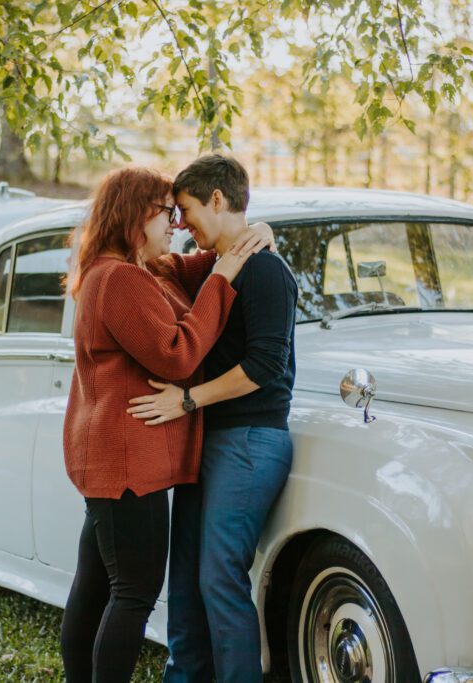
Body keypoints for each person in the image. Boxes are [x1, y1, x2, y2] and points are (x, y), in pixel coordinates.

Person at [59, 166, 272, 683]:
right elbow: (175, 355)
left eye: (180, 214)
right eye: (164, 213)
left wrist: (251, 236)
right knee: (133, 593)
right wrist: (223, 280)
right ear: (135, 216)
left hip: (114, 461)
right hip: (127, 465)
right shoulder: (118, 280)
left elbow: (204, 261)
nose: (175, 223)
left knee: (94, 586)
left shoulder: (146, 271)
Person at [126, 154, 298, 683]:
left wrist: (188, 399)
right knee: (186, 582)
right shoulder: (215, 269)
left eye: (186, 210)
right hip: (208, 440)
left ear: (218, 200)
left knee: (220, 578)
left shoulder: (267, 271)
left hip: (248, 440)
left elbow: (264, 367)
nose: (180, 224)